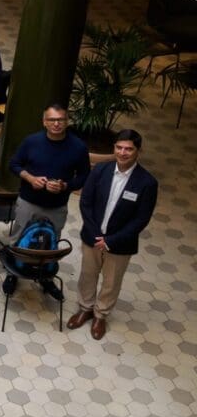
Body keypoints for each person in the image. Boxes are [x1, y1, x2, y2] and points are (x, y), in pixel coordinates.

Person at [67, 129, 157, 341]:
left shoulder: (147, 183)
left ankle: (101, 315)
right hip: (92, 236)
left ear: (138, 151)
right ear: (114, 148)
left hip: (120, 243)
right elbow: (86, 202)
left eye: (129, 149)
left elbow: (141, 219)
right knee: (87, 274)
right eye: (119, 147)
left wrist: (111, 240)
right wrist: (95, 232)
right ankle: (85, 308)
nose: (123, 152)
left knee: (111, 281)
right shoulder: (100, 170)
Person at [4, 103, 91, 297]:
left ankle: (46, 279)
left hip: (57, 206)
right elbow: (14, 164)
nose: (56, 124)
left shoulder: (78, 147)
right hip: (29, 201)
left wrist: (65, 186)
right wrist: (30, 178)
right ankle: (12, 274)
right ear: (44, 122)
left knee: (51, 242)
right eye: (52, 120)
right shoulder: (31, 142)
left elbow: (84, 176)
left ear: (67, 121)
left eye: (60, 119)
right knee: (18, 237)